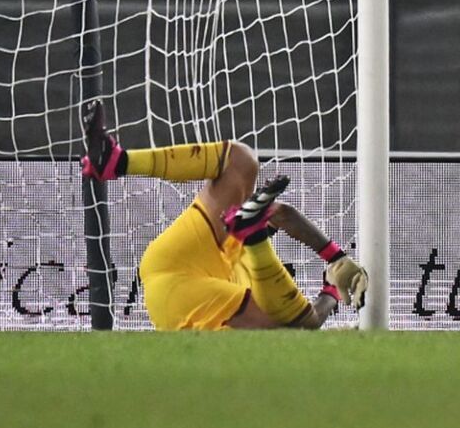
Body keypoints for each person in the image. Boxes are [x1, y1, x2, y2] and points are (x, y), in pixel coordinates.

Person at [78, 100, 368, 330]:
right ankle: (116, 162)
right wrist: (332, 290)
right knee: (293, 326)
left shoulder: (247, 268)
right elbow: (309, 323)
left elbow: (284, 215)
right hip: (183, 284)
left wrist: (335, 259)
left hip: (171, 270)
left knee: (242, 161)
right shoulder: (251, 270)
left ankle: (121, 162)